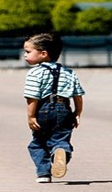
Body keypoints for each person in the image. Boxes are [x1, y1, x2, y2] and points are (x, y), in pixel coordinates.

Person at [22, 33, 85, 183]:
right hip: (64, 108)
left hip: (42, 109)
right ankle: (60, 151)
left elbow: (32, 97)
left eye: (28, 52)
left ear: (43, 54)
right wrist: (77, 112)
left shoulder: (34, 73)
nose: (25, 55)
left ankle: (43, 173)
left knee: (38, 143)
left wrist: (31, 116)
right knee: (60, 138)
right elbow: (78, 95)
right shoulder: (69, 72)